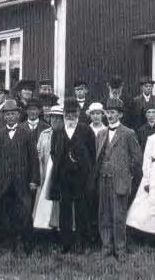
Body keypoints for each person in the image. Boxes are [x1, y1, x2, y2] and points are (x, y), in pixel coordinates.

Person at [92, 98, 142, 258]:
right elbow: (97, 156)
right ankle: (106, 247)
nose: (109, 115)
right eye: (108, 112)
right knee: (103, 214)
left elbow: (137, 158)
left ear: (120, 114)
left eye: (113, 113)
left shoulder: (128, 133)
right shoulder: (100, 134)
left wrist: (127, 175)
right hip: (103, 179)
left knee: (119, 216)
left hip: (120, 181)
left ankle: (120, 249)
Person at [0, 99, 39, 253]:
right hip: (4, 182)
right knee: (5, 214)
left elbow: (33, 159)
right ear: (3, 116)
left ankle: (27, 247)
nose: (10, 117)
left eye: (13, 113)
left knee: (24, 214)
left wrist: (33, 180)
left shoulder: (27, 134)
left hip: (22, 182)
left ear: (18, 115)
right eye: (7, 114)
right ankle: (6, 246)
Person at [48, 99, 95, 253]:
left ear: (78, 113)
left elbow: (92, 155)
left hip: (81, 178)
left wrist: (81, 166)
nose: (70, 116)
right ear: (64, 114)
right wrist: (63, 168)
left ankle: (83, 243)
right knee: (65, 212)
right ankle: (66, 244)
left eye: (73, 113)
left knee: (82, 211)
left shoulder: (86, 130)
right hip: (64, 179)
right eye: (67, 113)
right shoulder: (58, 131)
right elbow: (53, 154)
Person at [32, 106, 61, 232]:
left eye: (58, 117)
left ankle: (59, 228)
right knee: (44, 201)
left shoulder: (66, 134)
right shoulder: (44, 134)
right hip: (45, 170)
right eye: (52, 117)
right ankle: (44, 231)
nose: (55, 120)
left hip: (59, 173)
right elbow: (38, 154)